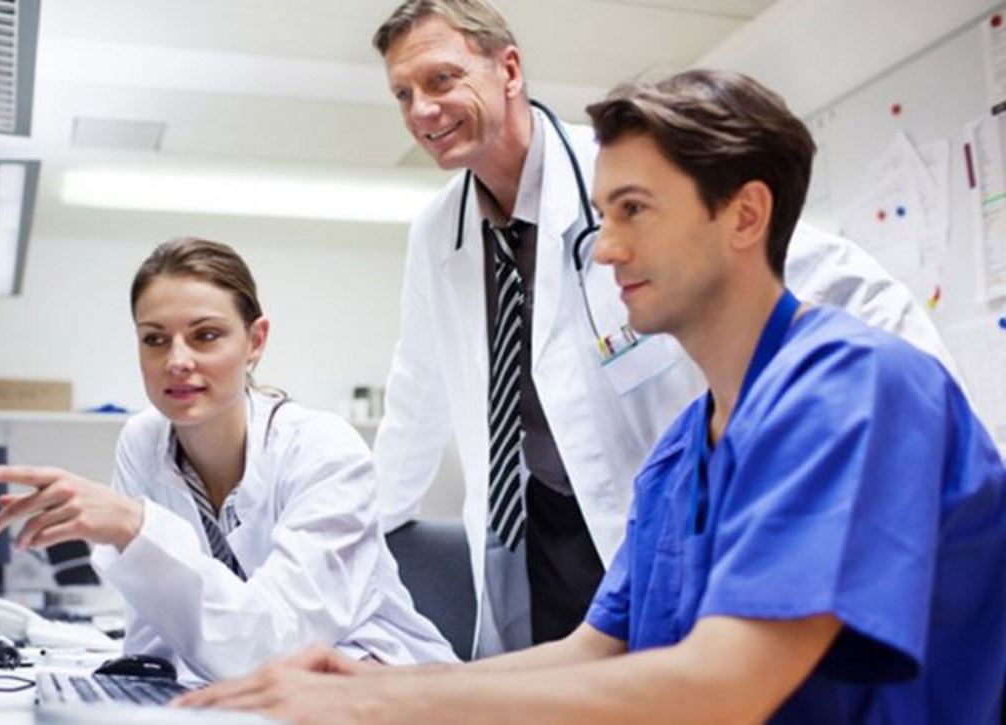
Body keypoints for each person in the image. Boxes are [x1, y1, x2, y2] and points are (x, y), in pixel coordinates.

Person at [177, 69, 1006, 724]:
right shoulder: (684, 448)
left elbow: (724, 689)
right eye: (602, 212)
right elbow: (596, 649)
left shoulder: (852, 387)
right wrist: (373, 679)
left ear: (746, 214)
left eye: (633, 210)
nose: (603, 247)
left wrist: (383, 702)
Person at [365, 0, 957, 656]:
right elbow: (417, 396)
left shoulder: (627, 169)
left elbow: (829, 278)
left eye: (441, 80)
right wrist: (353, 541)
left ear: (508, 69)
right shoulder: (436, 234)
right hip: (540, 534)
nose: (421, 108)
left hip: (661, 510)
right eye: (402, 93)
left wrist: (934, 449)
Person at [0, 237, 455, 681]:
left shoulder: (324, 450)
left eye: (205, 336)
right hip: (241, 694)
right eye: (154, 338)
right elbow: (155, 630)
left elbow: (275, 650)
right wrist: (134, 686)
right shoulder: (144, 440)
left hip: (369, 685)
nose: (176, 360)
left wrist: (136, 527)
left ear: (256, 341)